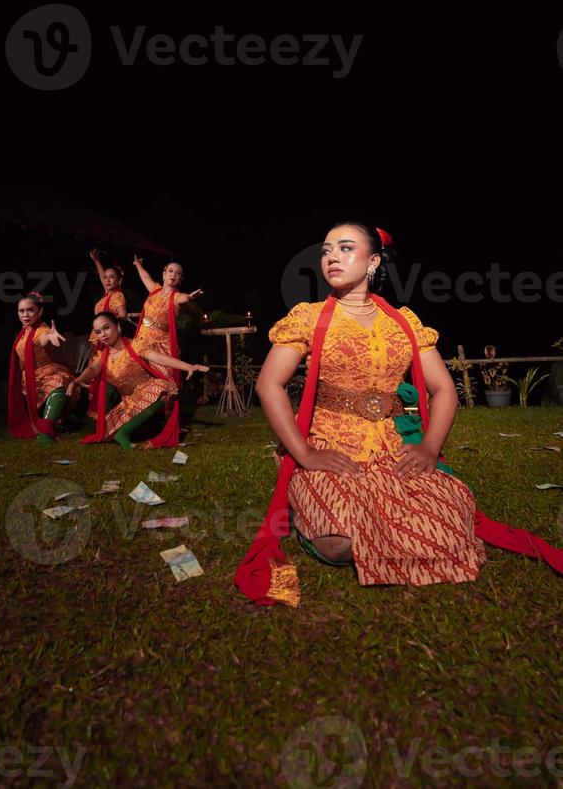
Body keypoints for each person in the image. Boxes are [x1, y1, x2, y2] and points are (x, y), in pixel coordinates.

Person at [234, 222, 563, 608]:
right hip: (331, 447)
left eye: (345, 249)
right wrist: (305, 454)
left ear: (373, 261)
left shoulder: (404, 322)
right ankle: (308, 500)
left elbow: (442, 390)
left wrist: (428, 447)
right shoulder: (307, 317)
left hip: (393, 449)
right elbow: (268, 384)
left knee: (452, 528)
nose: (331, 258)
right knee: (340, 544)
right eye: (326, 251)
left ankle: (376, 517)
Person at [67, 312, 208, 449]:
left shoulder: (135, 346)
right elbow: (92, 369)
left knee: (164, 386)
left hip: (152, 400)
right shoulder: (103, 358)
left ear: (118, 326)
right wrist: (77, 381)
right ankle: (130, 430)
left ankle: (124, 434)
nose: (103, 334)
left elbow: (159, 358)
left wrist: (188, 366)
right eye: (98, 332)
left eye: (106, 328)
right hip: (129, 406)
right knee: (105, 429)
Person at [131, 256, 204, 446]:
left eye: (178, 273)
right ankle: (135, 421)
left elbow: (184, 297)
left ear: (181, 280)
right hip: (141, 341)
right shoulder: (154, 290)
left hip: (161, 345)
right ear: (164, 274)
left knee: (168, 386)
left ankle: (166, 424)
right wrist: (138, 264)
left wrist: (190, 297)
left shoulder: (176, 297)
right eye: (170, 271)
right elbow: (145, 277)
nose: (173, 275)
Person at [8, 293, 76, 443]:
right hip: (30, 379)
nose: (25, 315)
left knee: (58, 382)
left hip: (48, 373)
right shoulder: (21, 334)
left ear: (40, 312)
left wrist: (50, 337)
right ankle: (56, 424)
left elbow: (43, 339)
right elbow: (22, 360)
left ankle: (46, 431)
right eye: (21, 311)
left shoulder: (41, 330)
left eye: (30, 310)